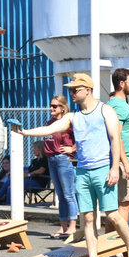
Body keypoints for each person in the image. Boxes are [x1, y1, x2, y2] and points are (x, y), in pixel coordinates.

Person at [12, 73, 129, 257]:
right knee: (87, 219)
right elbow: (51, 129)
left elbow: (116, 140)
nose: (71, 93)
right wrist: (24, 132)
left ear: (87, 90)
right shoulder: (74, 116)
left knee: (113, 216)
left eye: (75, 89)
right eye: (70, 90)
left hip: (103, 169)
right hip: (82, 172)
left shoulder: (106, 110)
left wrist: (115, 168)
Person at [105, 68, 129, 234]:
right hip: (123, 161)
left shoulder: (113, 104)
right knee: (125, 204)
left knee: (115, 208)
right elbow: (116, 136)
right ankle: (120, 245)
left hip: (119, 161)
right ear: (121, 83)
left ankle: (109, 245)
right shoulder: (119, 107)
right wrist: (126, 163)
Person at [43, 95, 78, 238]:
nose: (51, 108)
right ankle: (63, 227)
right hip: (51, 159)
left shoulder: (68, 123)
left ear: (62, 108)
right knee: (60, 195)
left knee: (69, 194)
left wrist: (72, 149)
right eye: (51, 106)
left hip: (63, 159)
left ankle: (73, 226)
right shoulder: (50, 122)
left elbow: (82, 137)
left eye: (55, 106)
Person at [0, 141, 49, 205]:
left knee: (13, 181)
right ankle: (8, 205)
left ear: (40, 149)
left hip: (38, 183)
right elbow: (27, 171)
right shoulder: (34, 161)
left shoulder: (45, 159)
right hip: (30, 180)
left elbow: (41, 170)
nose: (33, 150)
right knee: (10, 186)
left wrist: (28, 175)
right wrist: (14, 173)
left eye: (34, 148)